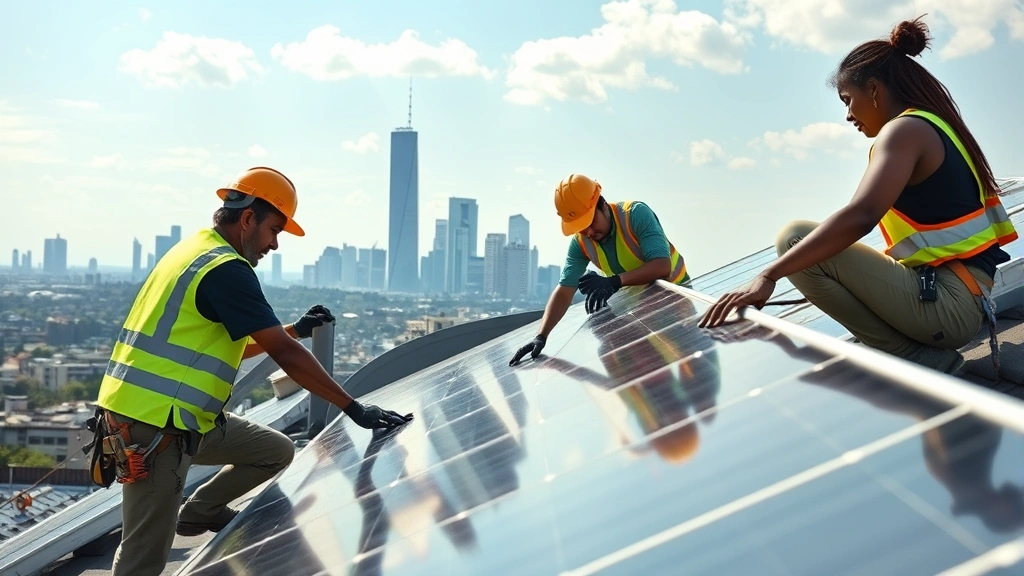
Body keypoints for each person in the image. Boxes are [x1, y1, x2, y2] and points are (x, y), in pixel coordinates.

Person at [94, 166, 413, 576]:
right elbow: (283, 354)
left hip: (184, 417)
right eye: (274, 230)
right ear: (248, 219)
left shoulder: (194, 250)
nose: (275, 244)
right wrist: (352, 408)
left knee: (275, 452)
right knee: (143, 557)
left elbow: (233, 343)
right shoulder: (226, 270)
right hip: (154, 427)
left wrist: (295, 330)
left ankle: (200, 511)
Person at [699, 16, 1018, 376]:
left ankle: (918, 359)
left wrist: (768, 276)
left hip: (951, 305)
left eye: (848, 100)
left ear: (875, 90)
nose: (848, 115)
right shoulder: (931, 123)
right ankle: (918, 355)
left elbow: (862, 215)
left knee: (794, 239)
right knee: (809, 247)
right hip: (961, 296)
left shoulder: (904, 131)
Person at [510, 173, 691, 366]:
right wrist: (541, 336)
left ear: (602, 204)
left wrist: (613, 282)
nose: (588, 232)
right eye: (580, 227)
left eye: (590, 222)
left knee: (687, 374)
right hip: (641, 312)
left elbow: (662, 265)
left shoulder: (635, 214)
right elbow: (564, 290)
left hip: (676, 304)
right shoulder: (581, 243)